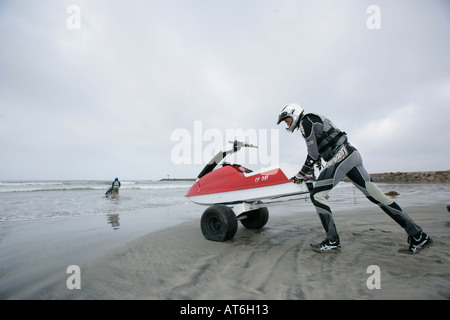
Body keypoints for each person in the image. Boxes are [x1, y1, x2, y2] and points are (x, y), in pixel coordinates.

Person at [277, 103, 432, 253]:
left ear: (294, 114)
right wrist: (308, 171)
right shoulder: (312, 119)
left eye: (286, 119)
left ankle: (332, 241)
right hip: (352, 154)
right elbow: (317, 154)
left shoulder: (305, 122)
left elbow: (313, 154)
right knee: (376, 196)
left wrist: (301, 174)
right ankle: (418, 236)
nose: (286, 123)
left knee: (317, 195)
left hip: (341, 155)